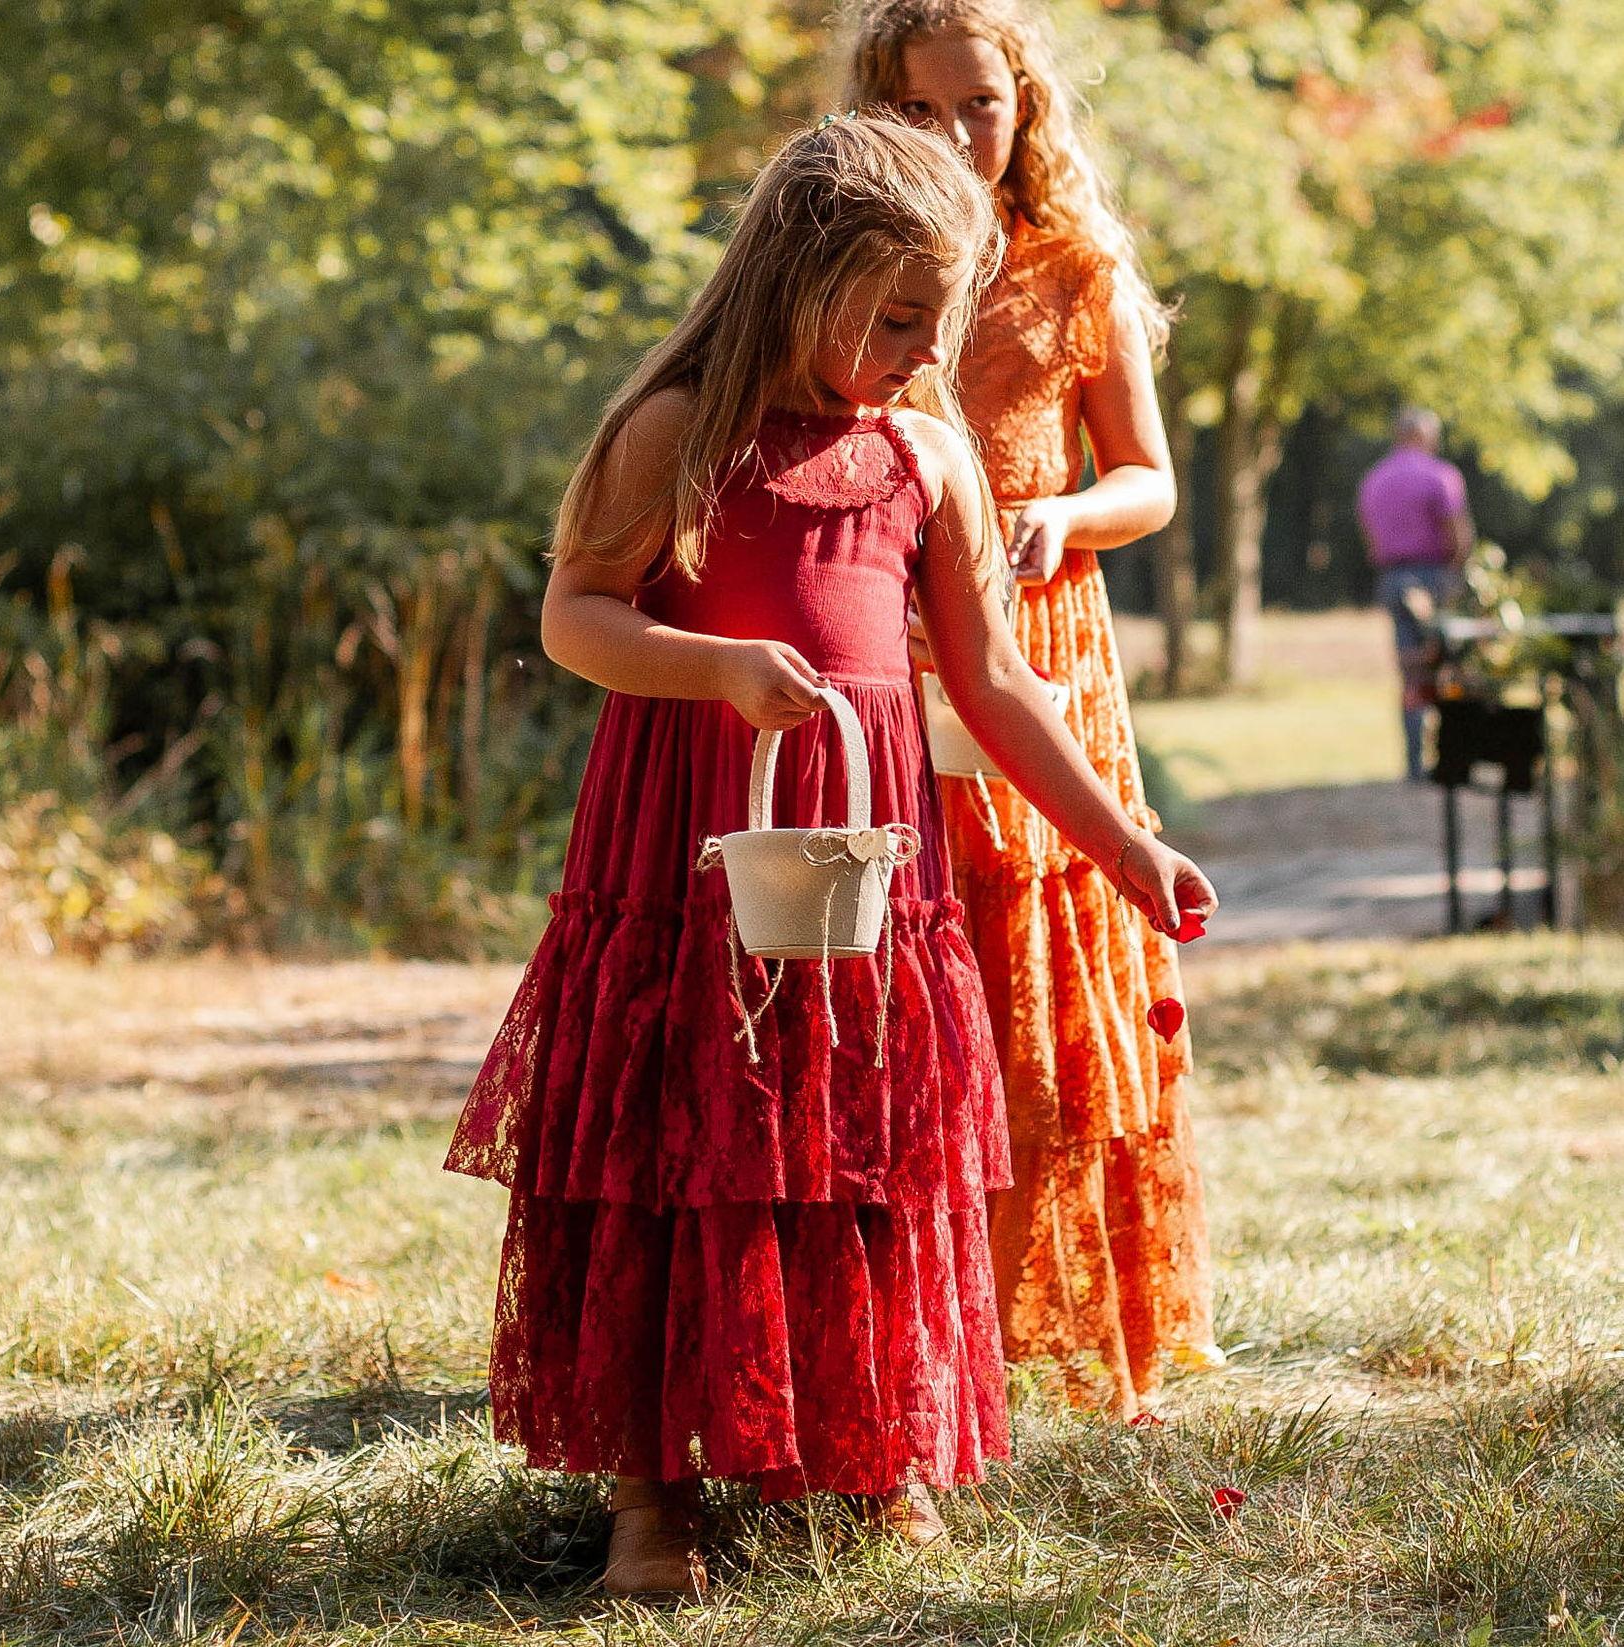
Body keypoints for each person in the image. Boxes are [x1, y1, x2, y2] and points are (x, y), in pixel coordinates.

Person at [444, 116, 1216, 1597]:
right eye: (895, 319)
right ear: (798, 277)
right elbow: (576, 617)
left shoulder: (923, 454)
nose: (921, 355)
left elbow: (993, 680)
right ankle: (653, 1504)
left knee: (862, 1141)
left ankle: (870, 1457)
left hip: (866, 862)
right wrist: (717, 667)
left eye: (938, 322)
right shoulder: (675, 431)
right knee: (676, 1146)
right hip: (687, 849)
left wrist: (1128, 844)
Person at [850, 0, 1221, 1419]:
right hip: (882, 640)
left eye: (980, 106)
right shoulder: (843, 264)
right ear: (876, 111)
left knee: (1039, 982)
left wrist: (1065, 513)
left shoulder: (1074, 269)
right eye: (919, 108)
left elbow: (1150, 478)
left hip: (1036, 635)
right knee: (904, 959)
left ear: (1024, 107)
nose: (954, 134)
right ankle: (899, 1322)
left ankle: (1030, 1328)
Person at [1357, 407, 1474, 781]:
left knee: (1411, 671)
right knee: (1449, 666)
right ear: (1424, 436)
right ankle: (1452, 754)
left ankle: (1414, 762)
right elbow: (1458, 535)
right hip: (1434, 576)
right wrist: (1456, 576)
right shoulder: (1440, 475)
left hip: (1393, 578)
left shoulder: (1375, 479)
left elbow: (1370, 534)